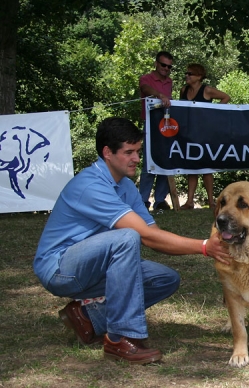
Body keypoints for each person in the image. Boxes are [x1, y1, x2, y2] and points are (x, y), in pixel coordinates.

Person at [33, 117, 231, 365]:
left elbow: (153, 235)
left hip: (92, 268)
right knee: (126, 236)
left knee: (164, 279)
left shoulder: (125, 186)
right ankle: (121, 339)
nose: (137, 159)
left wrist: (202, 248)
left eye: (137, 151)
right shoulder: (89, 185)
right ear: (107, 153)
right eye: (129, 152)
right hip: (60, 270)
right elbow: (143, 235)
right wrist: (204, 246)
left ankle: (88, 317)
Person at [179, 63, 230, 211]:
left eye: (190, 74)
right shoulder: (183, 90)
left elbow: (226, 97)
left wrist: (213, 114)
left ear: (199, 77)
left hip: (205, 133)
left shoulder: (206, 90)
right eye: (186, 74)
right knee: (191, 167)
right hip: (188, 133)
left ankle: (211, 201)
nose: (187, 76)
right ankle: (189, 202)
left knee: (206, 167)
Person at [138, 51, 174, 211]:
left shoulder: (170, 82)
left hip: (166, 126)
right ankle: (142, 201)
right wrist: (159, 95)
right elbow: (145, 89)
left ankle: (160, 200)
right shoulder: (146, 79)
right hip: (150, 125)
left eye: (169, 66)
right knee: (148, 163)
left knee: (165, 162)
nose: (166, 68)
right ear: (156, 64)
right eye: (163, 65)